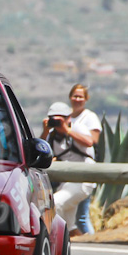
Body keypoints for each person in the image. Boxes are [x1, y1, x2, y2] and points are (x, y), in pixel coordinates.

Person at [40, 85, 101, 237]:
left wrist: (67, 130)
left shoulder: (78, 128)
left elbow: (89, 142)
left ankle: (55, 240)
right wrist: (46, 131)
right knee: (71, 224)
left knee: (55, 204)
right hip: (66, 182)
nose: (57, 122)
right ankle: (84, 243)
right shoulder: (52, 135)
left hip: (82, 180)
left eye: (61, 118)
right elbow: (40, 149)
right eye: (54, 118)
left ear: (68, 118)